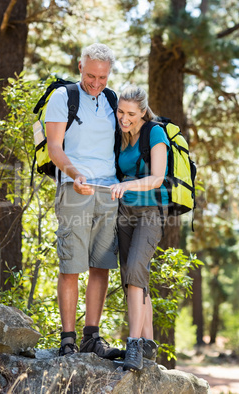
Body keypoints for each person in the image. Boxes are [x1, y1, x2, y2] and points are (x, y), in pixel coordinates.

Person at [45, 43, 123, 359]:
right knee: (71, 263)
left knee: (101, 265)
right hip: (74, 188)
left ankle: (92, 336)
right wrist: (76, 174)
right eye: (91, 75)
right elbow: (54, 147)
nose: (96, 82)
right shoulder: (63, 97)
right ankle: (68, 339)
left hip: (109, 192)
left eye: (102, 77)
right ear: (80, 67)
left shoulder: (112, 100)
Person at [110, 85, 170, 371]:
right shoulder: (121, 134)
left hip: (150, 210)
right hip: (125, 211)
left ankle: (133, 345)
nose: (124, 117)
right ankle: (148, 344)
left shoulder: (154, 132)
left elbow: (157, 178)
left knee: (135, 267)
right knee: (133, 275)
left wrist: (126, 185)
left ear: (143, 112)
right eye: (120, 111)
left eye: (131, 113)